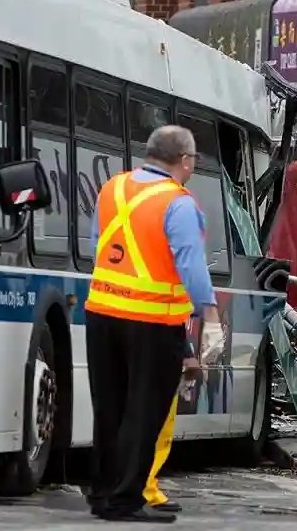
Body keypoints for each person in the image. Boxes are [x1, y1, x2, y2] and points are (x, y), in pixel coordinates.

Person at [85, 124, 224, 523]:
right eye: (194, 159)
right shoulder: (179, 203)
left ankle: (102, 493)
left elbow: (99, 243)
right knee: (143, 412)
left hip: (101, 313)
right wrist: (209, 312)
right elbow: (190, 263)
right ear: (184, 161)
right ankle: (125, 500)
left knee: (108, 409)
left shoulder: (113, 188)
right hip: (152, 322)